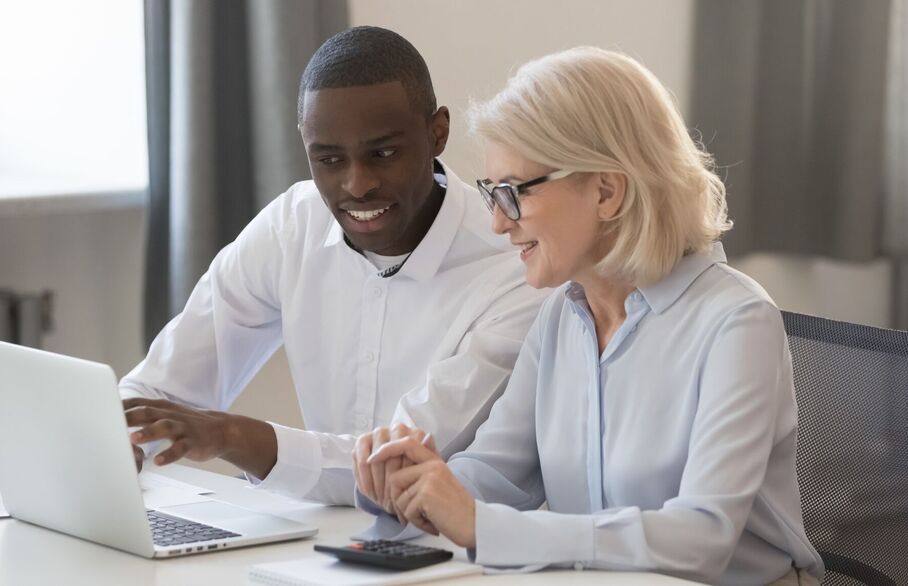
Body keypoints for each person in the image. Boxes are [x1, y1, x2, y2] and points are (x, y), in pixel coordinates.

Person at [356, 47, 825, 585]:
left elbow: (703, 539)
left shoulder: (736, 323)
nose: (498, 224)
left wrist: (482, 525)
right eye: (492, 194)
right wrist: (413, 488)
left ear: (606, 191)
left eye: (511, 194)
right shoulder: (562, 314)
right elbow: (496, 472)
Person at [120, 26, 547, 506]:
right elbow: (162, 386)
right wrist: (115, 441)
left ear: (437, 133)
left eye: (383, 153)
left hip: (448, 556)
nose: (357, 185)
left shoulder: (513, 266)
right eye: (328, 159)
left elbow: (401, 461)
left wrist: (233, 437)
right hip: (316, 540)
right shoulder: (293, 224)